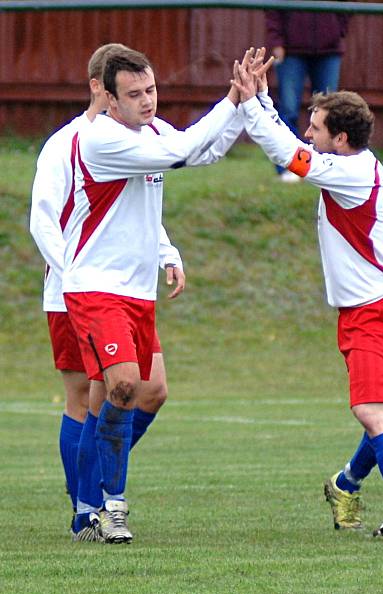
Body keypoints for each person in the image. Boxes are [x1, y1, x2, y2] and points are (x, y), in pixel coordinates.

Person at [233, 53, 383, 540]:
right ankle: (348, 484)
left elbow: (286, 154)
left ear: (340, 138)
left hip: (375, 311)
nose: (310, 135)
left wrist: (254, 100)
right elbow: (296, 147)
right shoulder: (360, 166)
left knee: (372, 411)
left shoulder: (350, 173)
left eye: (316, 129)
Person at [61, 46, 245, 543]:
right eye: (135, 95)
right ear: (110, 99)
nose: (147, 102)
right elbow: (182, 151)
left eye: (152, 90)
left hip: (137, 291)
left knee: (116, 398)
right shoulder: (100, 139)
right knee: (123, 387)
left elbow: (204, 150)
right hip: (96, 287)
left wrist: (242, 101)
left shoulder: (154, 132)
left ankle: (86, 509)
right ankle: (112, 508)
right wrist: (231, 101)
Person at [29, 43, 187, 542]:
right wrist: (68, 271)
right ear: (98, 87)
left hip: (124, 287)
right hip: (77, 288)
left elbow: (132, 209)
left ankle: (95, 485)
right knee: (84, 398)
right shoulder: (68, 143)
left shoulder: (138, 139)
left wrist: (167, 251)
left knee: (151, 390)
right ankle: (85, 511)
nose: (142, 99)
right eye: (125, 89)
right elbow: (44, 217)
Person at [265, 8, 349, 182]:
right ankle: (290, 167)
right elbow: (273, 7)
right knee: (288, 110)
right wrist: (276, 41)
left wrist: (337, 30)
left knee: (330, 112)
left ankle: (328, 165)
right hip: (290, 49)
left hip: (329, 49)